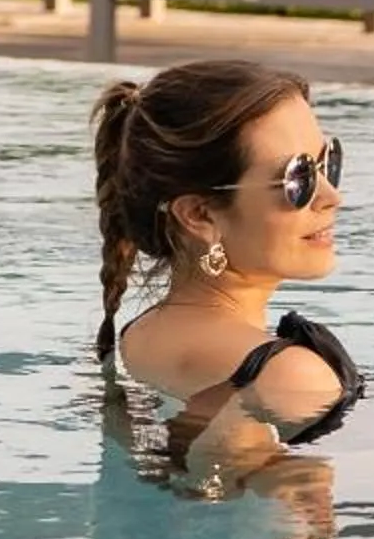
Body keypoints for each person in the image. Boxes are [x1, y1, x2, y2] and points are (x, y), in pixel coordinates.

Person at [91, 59, 358, 482]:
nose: (331, 196)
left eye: (328, 163)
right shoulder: (287, 376)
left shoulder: (134, 338)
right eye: (298, 178)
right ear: (199, 214)